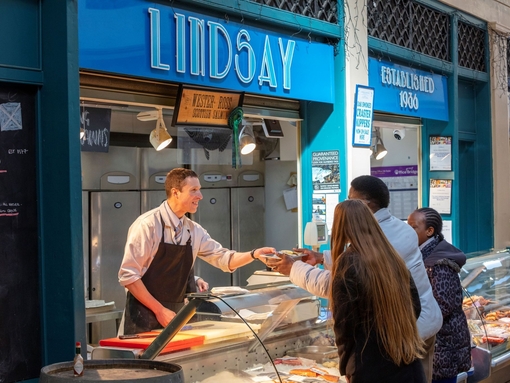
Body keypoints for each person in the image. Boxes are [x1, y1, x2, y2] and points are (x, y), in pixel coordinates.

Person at [267, 175, 442, 382]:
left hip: (392, 345)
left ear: (364, 206)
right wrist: (322, 258)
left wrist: (293, 267)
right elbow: (412, 300)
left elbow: (338, 299)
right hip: (407, 339)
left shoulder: (359, 259)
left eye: (350, 198)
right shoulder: (395, 236)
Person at [118, 168, 275, 335]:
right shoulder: (147, 225)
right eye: (194, 190)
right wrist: (160, 311)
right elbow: (129, 276)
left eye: (199, 190)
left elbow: (224, 258)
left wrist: (254, 255)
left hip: (174, 316)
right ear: (175, 193)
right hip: (142, 319)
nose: (200, 196)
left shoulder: (193, 231)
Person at [330, 200, 426, 382]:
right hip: (407, 360)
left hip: (370, 366)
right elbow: (415, 306)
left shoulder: (347, 262)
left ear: (340, 227)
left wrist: (346, 366)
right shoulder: (392, 256)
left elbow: (344, 323)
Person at [407, 207, 471, 383]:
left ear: (429, 231)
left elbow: (442, 305)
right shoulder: (420, 256)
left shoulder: (438, 263)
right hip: (433, 345)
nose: (408, 231)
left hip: (443, 347)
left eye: (413, 227)